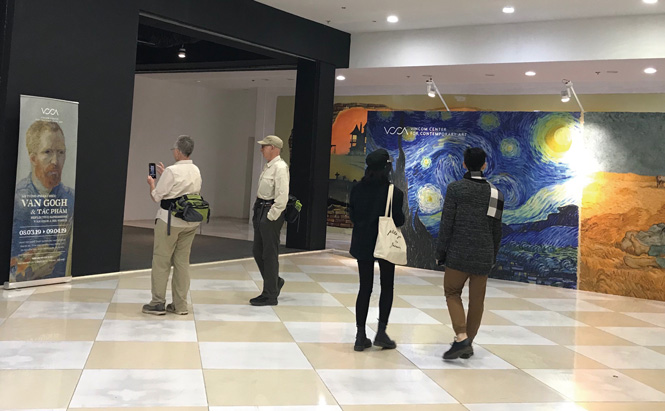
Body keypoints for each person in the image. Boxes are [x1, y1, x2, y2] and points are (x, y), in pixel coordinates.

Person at [437, 147, 503, 360]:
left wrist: (441, 251)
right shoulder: (495, 193)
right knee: (477, 301)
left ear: (464, 164)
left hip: (458, 252)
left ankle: (461, 336)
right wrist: (492, 255)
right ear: (484, 165)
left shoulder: (455, 189)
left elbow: (447, 223)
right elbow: (496, 230)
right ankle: (468, 344)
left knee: (452, 292)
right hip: (484, 254)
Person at [349, 149, 405, 352]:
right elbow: (399, 220)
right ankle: (381, 332)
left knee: (364, 288)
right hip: (385, 243)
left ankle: (360, 335)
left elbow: (352, 216)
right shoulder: (394, 192)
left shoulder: (357, 189)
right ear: (387, 168)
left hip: (363, 242)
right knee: (387, 286)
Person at [142, 135, 202, 315]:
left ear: (177, 151)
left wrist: (152, 184)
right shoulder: (195, 169)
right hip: (191, 221)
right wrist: (165, 177)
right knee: (182, 262)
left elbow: (156, 196)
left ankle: (157, 303)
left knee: (161, 261)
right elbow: (184, 190)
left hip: (170, 221)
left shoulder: (171, 171)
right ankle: (180, 305)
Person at [10, 121, 75, 282]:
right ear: (33, 158)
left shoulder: (71, 199)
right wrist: (31, 271)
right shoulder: (17, 200)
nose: (55, 161)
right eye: (48, 152)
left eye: (61, 152)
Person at [249, 135, 290, 306]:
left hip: (269, 212)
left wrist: (271, 216)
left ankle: (270, 294)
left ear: (273, 148)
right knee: (258, 251)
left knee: (269, 254)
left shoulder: (280, 168)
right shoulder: (268, 166)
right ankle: (275, 282)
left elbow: (282, 195)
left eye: (264, 146)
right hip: (261, 209)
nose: (261, 149)